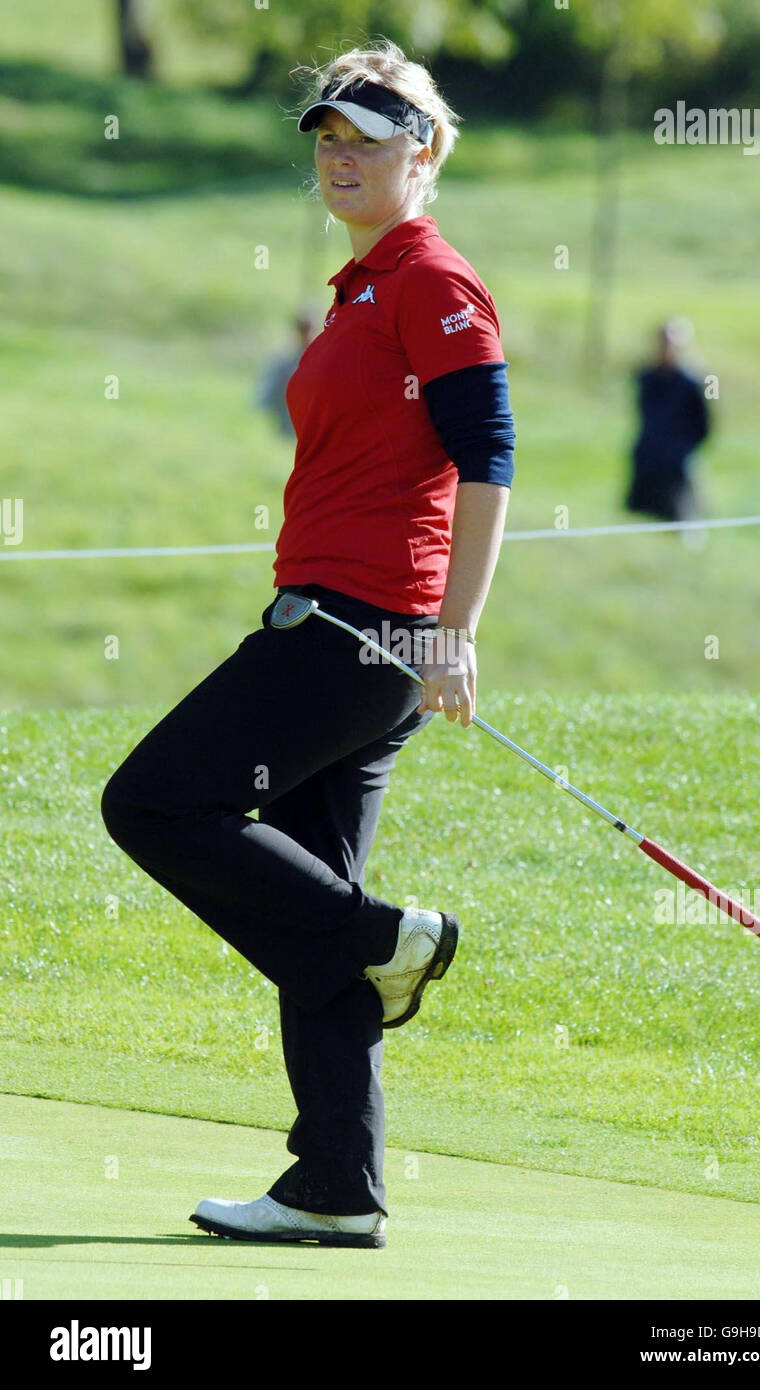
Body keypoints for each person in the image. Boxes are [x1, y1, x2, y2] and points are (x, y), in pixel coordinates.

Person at [99, 39, 515, 1250]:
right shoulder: (364, 288)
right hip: (348, 621)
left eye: (367, 139)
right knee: (311, 923)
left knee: (155, 805)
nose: (339, 157)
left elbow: (490, 458)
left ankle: (392, 939)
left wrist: (456, 635)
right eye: (327, 139)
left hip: (360, 630)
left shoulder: (434, 280)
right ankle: (336, 1181)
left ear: (423, 153)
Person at [626, 318, 710, 522]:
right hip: (649, 453)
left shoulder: (692, 381)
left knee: (681, 512)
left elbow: (703, 423)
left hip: (677, 458)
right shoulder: (646, 376)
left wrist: (682, 447)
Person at [256, 309, 317, 435]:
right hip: (287, 423)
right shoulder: (284, 364)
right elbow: (266, 399)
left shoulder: (321, 361)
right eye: (304, 329)